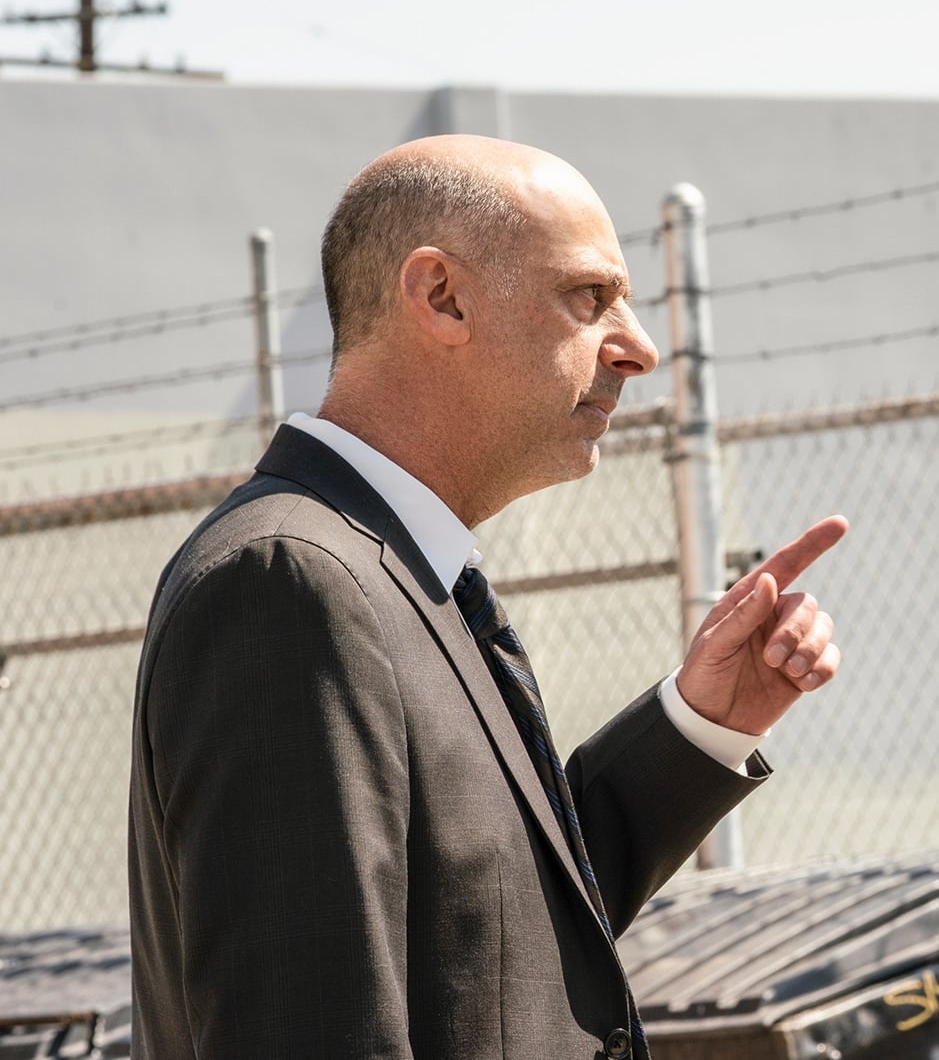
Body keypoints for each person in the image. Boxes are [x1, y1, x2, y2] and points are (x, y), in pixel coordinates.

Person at [128, 134, 847, 1059]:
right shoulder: (290, 583)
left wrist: (701, 722)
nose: (638, 349)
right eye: (589, 297)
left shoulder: (382, 574)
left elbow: (499, 943)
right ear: (442, 296)